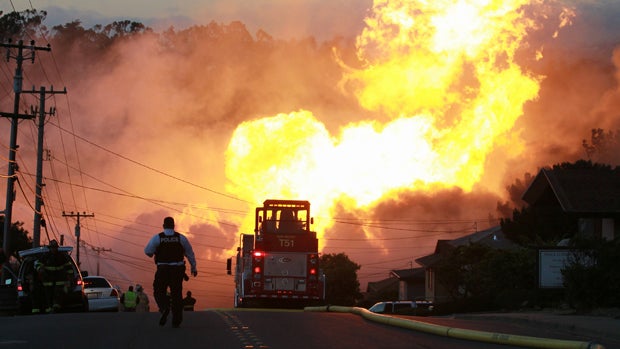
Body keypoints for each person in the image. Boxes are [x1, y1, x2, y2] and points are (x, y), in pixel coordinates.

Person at [144, 216, 197, 328]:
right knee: (177, 294)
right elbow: (190, 253)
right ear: (174, 226)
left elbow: (148, 252)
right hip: (177, 270)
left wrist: (157, 251)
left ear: (163, 226)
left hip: (162, 269)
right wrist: (194, 268)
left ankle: (164, 308)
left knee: (159, 291)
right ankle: (176, 320)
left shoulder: (158, 238)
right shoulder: (181, 238)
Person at [38, 240, 74, 313]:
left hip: (59, 280)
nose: (53, 249)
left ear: (57, 248)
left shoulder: (61, 256)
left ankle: (56, 308)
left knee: (57, 294)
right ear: (50, 248)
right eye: (52, 247)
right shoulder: (45, 256)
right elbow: (38, 264)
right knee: (48, 295)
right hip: (48, 281)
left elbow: (68, 267)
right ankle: (49, 308)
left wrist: (70, 277)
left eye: (55, 247)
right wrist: (41, 270)